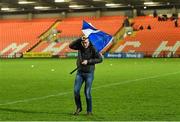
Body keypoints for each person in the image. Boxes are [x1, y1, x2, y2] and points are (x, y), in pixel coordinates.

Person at [69, 36, 103, 115]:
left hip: (89, 73)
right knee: (76, 91)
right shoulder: (80, 47)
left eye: (86, 42)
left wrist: (88, 61)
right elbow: (70, 46)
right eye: (83, 42)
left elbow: (100, 59)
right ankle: (79, 108)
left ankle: (89, 111)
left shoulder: (93, 48)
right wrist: (80, 39)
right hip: (80, 73)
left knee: (87, 92)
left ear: (89, 41)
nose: (85, 44)